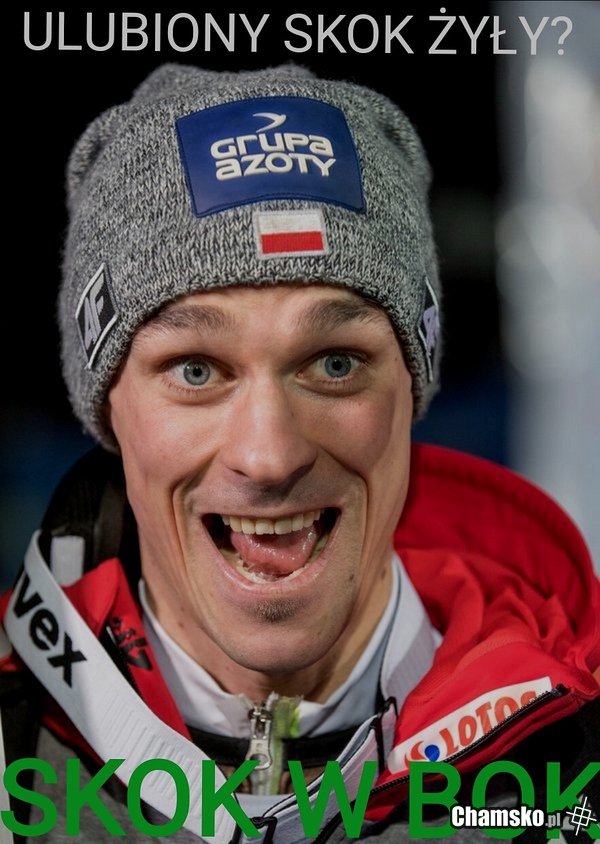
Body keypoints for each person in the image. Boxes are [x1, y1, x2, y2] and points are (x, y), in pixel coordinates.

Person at [0, 63, 598, 844]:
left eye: (335, 363)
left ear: (412, 386)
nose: (270, 455)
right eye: (196, 371)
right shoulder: (14, 749)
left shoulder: (574, 776)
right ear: (108, 409)